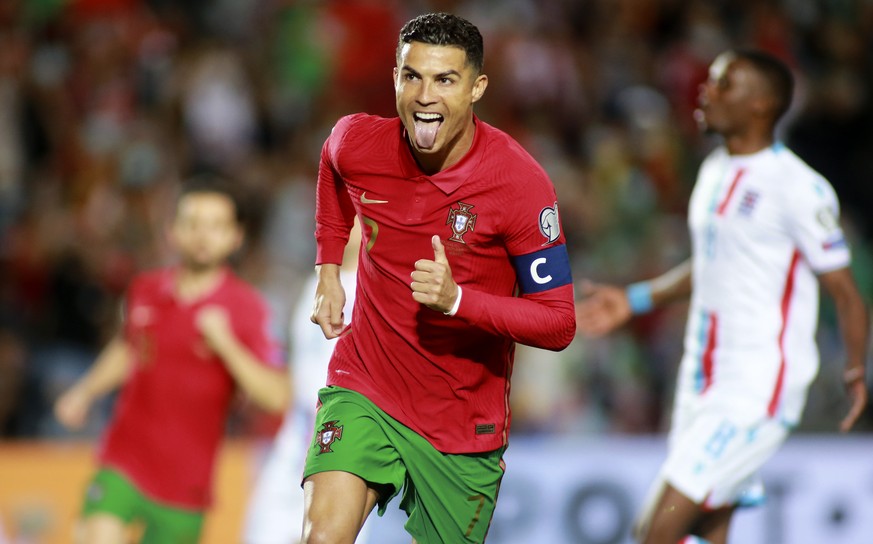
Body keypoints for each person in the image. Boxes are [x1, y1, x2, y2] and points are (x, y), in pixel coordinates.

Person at [576, 49, 869, 544]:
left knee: (655, 529)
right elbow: (715, 264)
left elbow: (844, 290)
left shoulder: (798, 187)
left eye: (724, 84)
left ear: (761, 105)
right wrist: (636, 300)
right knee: (711, 529)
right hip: (701, 382)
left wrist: (856, 369)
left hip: (755, 387)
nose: (706, 91)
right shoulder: (714, 170)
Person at [304, 12, 576, 544]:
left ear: (477, 87)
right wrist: (328, 267)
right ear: (395, 78)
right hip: (366, 385)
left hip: (461, 425)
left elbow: (558, 322)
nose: (425, 96)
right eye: (413, 76)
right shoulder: (356, 141)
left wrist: (458, 301)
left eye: (445, 80)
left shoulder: (521, 185)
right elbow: (332, 172)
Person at [54, 175, 289, 544]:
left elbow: (276, 396)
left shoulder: (248, 309)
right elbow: (128, 348)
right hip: (124, 461)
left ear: (236, 237)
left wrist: (225, 344)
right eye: (192, 223)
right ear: (172, 232)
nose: (202, 235)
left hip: (186, 488)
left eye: (216, 225)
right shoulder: (146, 289)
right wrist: (84, 391)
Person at [242, 221, 372, 544]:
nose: (347, 228)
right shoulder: (313, 284)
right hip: (296, 440)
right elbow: (297, 365)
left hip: (345, 447)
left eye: (355, 219)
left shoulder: (378, 292)